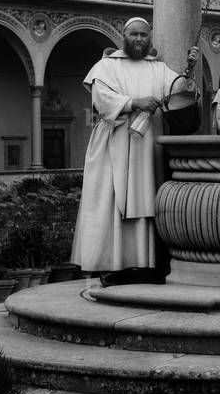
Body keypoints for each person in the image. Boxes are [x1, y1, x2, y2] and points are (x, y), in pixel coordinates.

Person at [70, 17, 198, 286]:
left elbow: (178, 93)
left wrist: (190, 71)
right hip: (114, 143)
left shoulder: (159, 69)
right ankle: (113, 266)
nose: (139, 39)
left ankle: (146, 265)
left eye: (143, 35)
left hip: (149, 146)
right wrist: (134, 102)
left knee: (150, 200)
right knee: (111, 203)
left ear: (149, 38)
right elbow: (102, 100)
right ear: (124, 36)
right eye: (134, 34)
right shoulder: (106, 66)